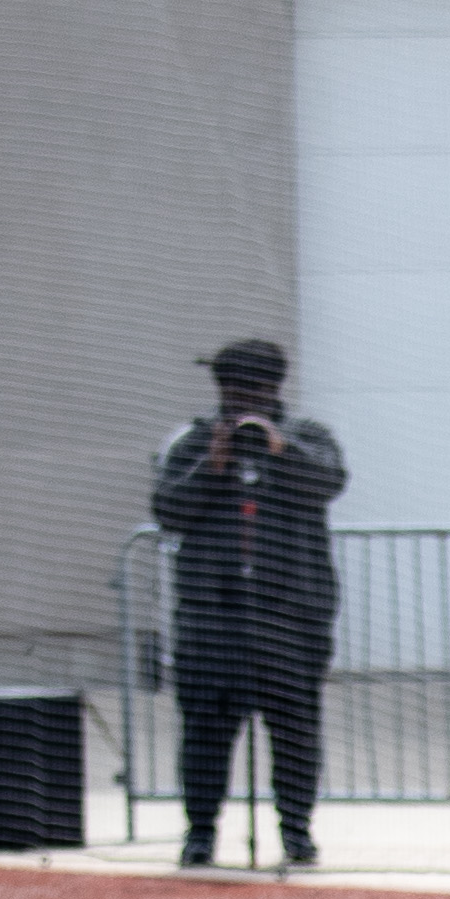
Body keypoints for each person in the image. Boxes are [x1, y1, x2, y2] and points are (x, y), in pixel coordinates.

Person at [149, 339, 349, 870]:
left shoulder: (309, 437)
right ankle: (200, 833)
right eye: (233, 394)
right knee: (206, 731)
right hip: (213, 619)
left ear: (275, 390)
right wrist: (212, 464)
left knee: (296, 728)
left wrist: (281, 449)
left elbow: (329, 482)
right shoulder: (193, 441)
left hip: (291, 616)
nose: (243, 407)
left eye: (254, 394)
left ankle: (297, 833)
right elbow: (167, 508)